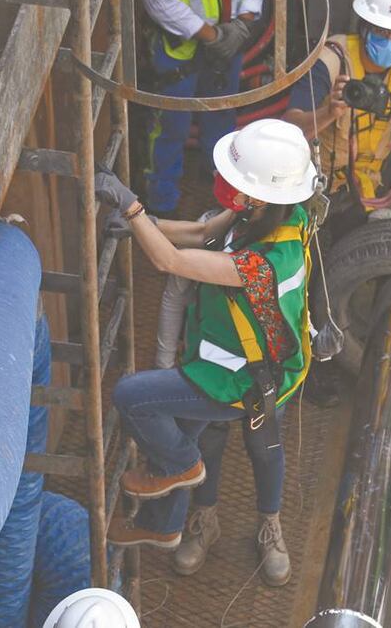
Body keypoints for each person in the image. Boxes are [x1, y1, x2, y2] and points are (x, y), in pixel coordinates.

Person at [96, 119, 317, 587]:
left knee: (135, 399)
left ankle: (256, 518)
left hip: (247, 380)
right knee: (191, 436)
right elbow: (200, 236)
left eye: (238, 183)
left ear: (259, 197)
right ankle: (173, 523)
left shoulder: (264, 264)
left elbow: (170, 261)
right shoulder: (270, 214)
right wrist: (148, 225)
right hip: (219, 361)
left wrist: (132, 208)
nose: (227, 186)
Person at [282, 0, 391, 406]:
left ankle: (320, 364)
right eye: (383, 31)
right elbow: (288, 127)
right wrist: (329, 113)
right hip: (309, 191)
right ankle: (286, 365)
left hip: (361, 194)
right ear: (365, 24)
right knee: (296, 279)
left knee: (334, 284)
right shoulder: (332, 60)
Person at [132, 0, 267, 215]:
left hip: (231, 38)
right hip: (178, 46)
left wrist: (241, 24)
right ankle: (162, 206)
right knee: (170, 127)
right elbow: (160, 1)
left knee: (221, 116)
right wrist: (212, 36)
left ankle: (222, 185)